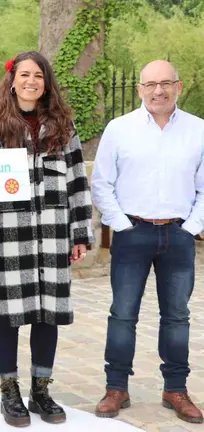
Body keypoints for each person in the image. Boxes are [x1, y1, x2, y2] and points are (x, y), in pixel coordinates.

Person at [0, 51, 94, 427]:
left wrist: (80, 232)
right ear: (12, 81)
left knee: (48, 316)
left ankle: (40, 390)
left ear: (46, 83)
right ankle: (9, 392)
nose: (31, 81)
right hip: (10, 237)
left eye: (39, 76)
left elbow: (78, 183)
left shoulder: (64, 127)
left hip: (54, 235)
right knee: (8, 317)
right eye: (25, 74)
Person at [91, 60, 204, 424]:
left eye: (166, 83)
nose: (159, 90)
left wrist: (191, 227)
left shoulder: (199, 130)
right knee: (122, 314)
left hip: (179, 235)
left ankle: (175, 389)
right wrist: (121, 225)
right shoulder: (119, 129)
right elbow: (101, 184)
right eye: (151, 84)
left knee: (177, 317)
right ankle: (116, 388)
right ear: (140, 89)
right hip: (132, 233)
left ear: (179, 86)